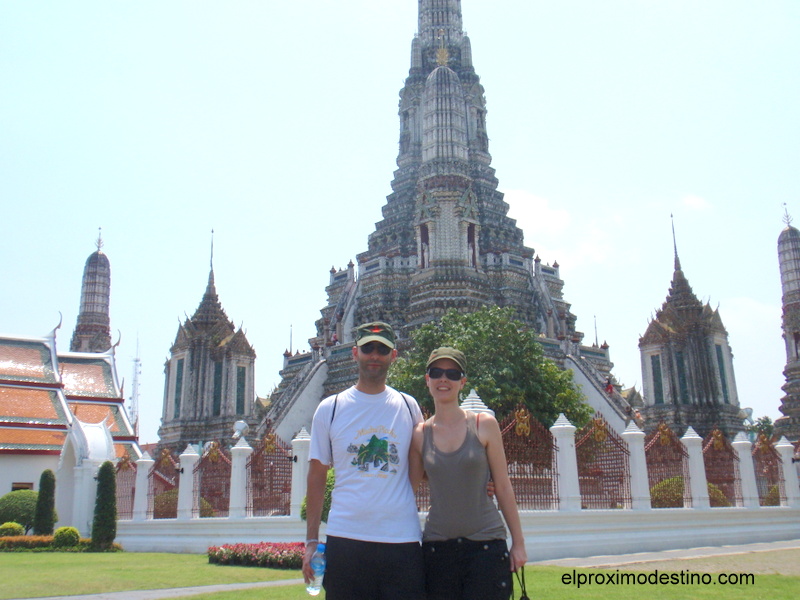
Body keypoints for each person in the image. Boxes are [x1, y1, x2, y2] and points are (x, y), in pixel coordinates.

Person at [302, 321, 425, 600]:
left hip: (401, 538)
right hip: (347, 538)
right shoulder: (330, 409)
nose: (374, 356)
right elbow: (317, 477)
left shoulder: (409, 406)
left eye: (382, 350)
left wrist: (480, 482)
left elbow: (427, 465)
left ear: (393, 356)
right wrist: (311, 540)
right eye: (368, 348)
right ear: (354, 353)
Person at [410, 347, 527, 600]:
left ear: (462, 382)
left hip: (486, 546)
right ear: (427, 379)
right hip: (438, 549)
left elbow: (503, 486)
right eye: (436, 372)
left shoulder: (483, 425)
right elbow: (409, 489)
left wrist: (518, 543)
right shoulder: (420, 434)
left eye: (452, 374)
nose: (444, 379)